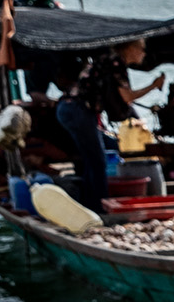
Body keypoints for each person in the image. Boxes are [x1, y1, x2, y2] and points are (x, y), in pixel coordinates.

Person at [59, 39, 164, 207]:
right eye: (141, 49)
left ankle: (89, 204)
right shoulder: (116, 62)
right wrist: (153, 85)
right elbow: (127, 97)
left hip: (71, 109)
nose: (144, 53)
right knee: (98, 161)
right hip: (78, 110)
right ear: (130, 48)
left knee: (91, 159)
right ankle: (101, 207)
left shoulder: (107, 59)